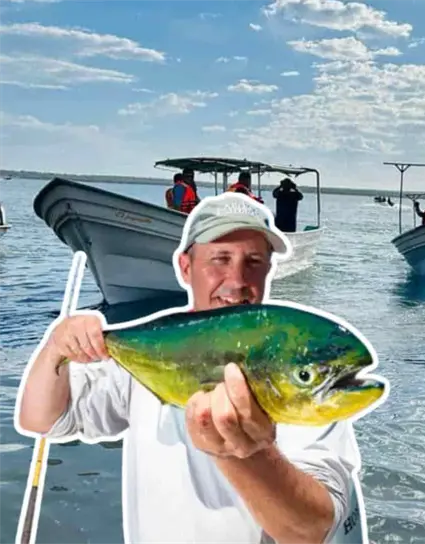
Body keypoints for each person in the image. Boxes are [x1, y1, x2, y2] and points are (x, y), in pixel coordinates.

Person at [15, 193, 367, 544]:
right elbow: (42, 420)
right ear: (185, 267)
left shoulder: (300, 375)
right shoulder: (147, 352)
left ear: (269, 270)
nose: (237, 280)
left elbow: (313, 529)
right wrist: (54, 350)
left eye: (254, 261)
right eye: (220, 259)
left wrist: (248, 453)